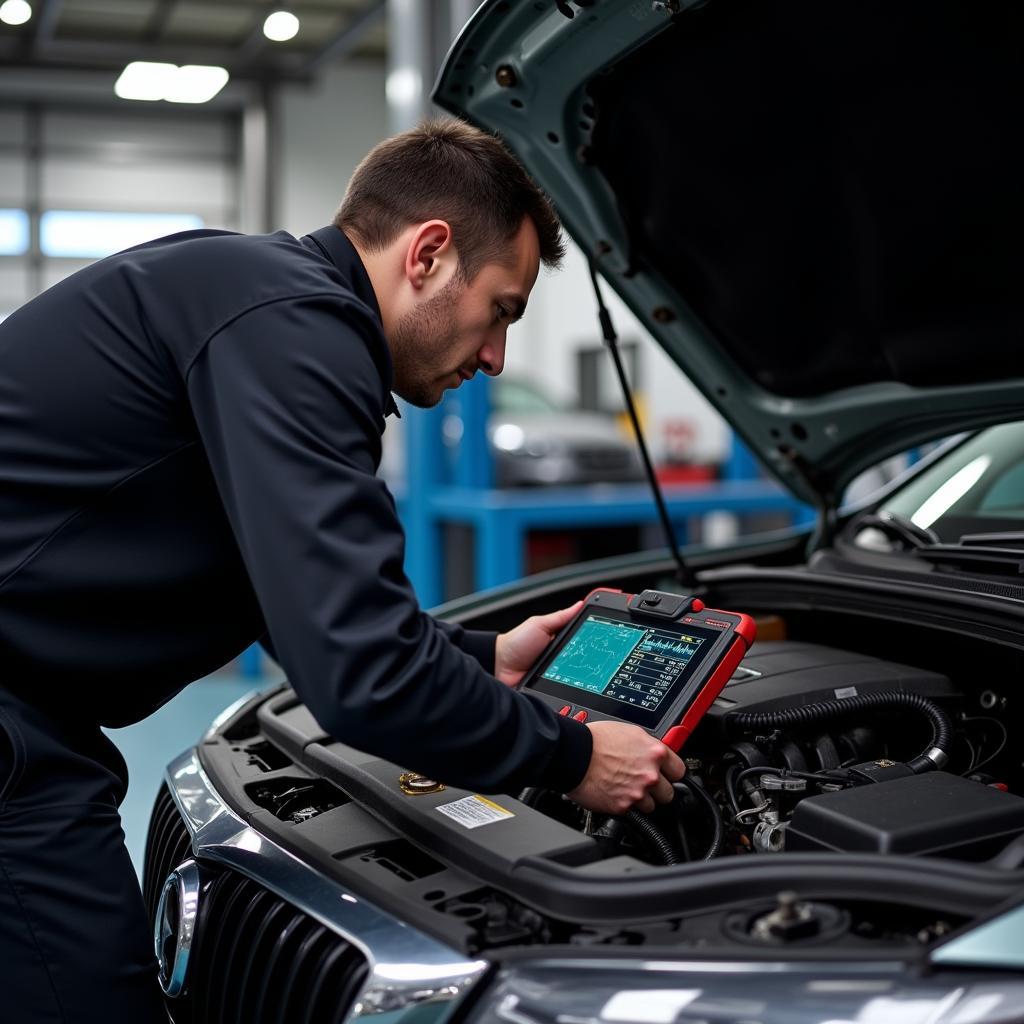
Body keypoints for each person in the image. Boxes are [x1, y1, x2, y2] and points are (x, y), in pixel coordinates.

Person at [0, 118, 684, 1022]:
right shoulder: (295, 324)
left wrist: (486, 659)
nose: (495, 357)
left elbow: (293, 599)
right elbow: (361, 675)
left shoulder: (251, 292)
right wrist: (572, 755)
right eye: (503, 311)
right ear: (430, 254)